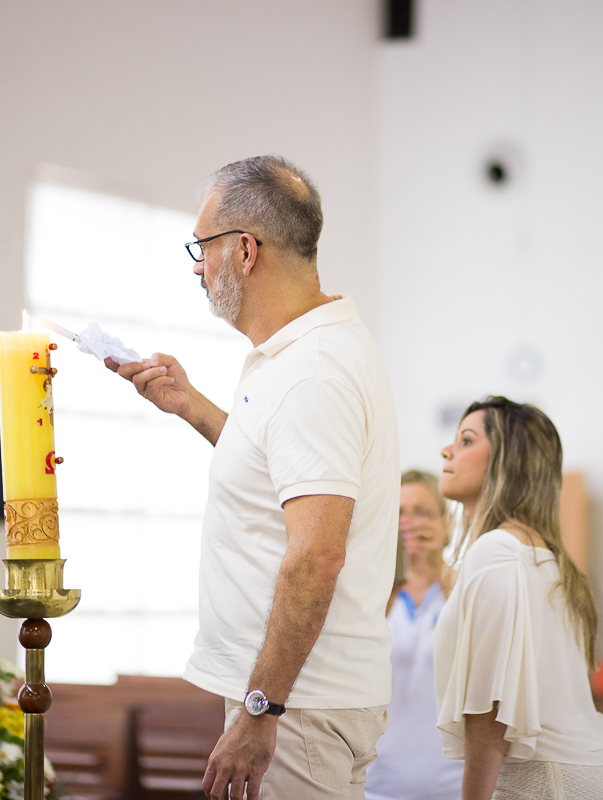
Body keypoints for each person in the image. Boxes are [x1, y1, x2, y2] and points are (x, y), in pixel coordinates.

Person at [109, 155, 399, 800]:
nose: (197, 266)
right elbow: (276, 473)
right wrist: (192, 406)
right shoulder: (293, 356)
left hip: (297, 704)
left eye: (202, 247)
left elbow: (317, 555)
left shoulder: (312, 372)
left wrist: (262, 709)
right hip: (299, 696)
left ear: (244, 250)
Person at [433, 397, 603, 800]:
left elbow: (490, 711)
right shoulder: (551, 559)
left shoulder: (496, 551)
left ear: (506, 462)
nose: (446, 450)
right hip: (595, 775)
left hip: (549, 781)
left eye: (466, 440)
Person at [364, 470, 462, 800]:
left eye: (421, 511)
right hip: (376, 782)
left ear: (445, 522)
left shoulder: (463, 587)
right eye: (399, 513)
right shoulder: (373, 594)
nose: (409, 522)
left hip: (452, 782)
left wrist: (437, 565)